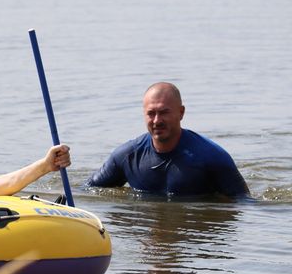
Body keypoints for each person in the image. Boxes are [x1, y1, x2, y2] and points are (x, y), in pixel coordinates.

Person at [86, 82, 249, 198]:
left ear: (181, 113)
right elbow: (88, 190)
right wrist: (60, 164)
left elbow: (244, 203)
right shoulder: (126, 157)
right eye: (151, 113)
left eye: (164, 112)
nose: (157, 120)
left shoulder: (212, 157)